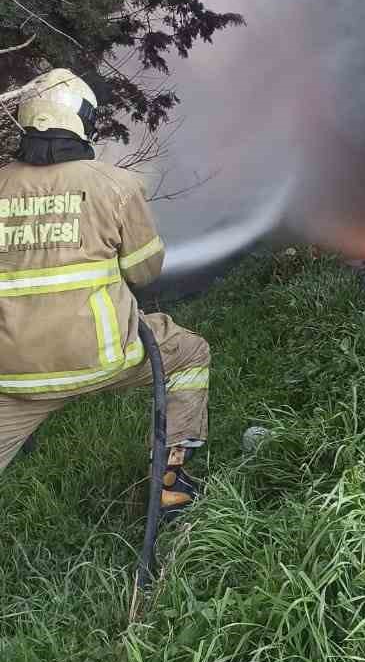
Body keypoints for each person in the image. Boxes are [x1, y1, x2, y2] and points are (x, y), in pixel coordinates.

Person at [0, 68, 209, 513]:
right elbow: (146, 271)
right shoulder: (113, 184)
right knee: (189, 353)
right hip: (102, 358)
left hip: (12, 373)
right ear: (82, 121)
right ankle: (169, 481)